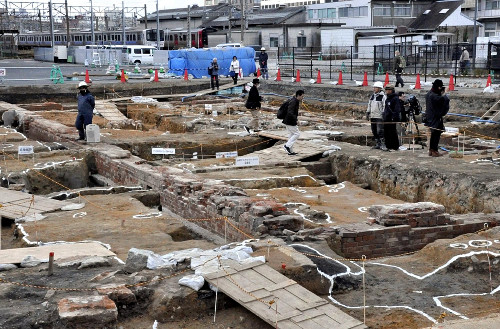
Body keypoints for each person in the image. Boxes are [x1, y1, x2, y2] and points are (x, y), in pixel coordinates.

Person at [425, 79, 450, 157]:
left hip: (430, 116)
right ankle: (434, 150)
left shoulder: (429, 94)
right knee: (436, 134)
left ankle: (431, 150)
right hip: (435, 117)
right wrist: (445, 93)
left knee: (434, 133)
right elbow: (443, 101)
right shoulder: (435, 96)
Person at [366, 81, 387, 151]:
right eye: (374, 87)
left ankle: (383, 144)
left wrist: (384, 114)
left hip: (379, 117)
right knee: (374, 130)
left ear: (380, 88)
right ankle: (378, 143)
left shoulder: (383, 96)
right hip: (373, 116)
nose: (374, 89)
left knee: (380, 131)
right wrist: (368, 112)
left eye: (376, 87)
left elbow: (384, 106)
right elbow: (369, 104)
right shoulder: (373, 96)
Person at [283, 90, 305, 155]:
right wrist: (296, 119)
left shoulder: (295, 100)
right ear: (298, 95)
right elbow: (290, 112)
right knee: (297, 134)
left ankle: (290, 150)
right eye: (302, 96)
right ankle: (287, 146)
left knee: (291, 134)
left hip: (288, 120)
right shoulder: (294, 101)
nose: (302, 98)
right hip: (290, 121)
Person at [383, 85, 401, 151]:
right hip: (386, 118)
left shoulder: (395, 98)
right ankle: (388, 146)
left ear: (390, 90)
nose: (386, 91)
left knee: (392, 132)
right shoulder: (388, 98)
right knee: (386, 132)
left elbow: (397, 109)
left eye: (387, 90)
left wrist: (394, 117)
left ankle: (394, 146)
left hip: (391, 118)